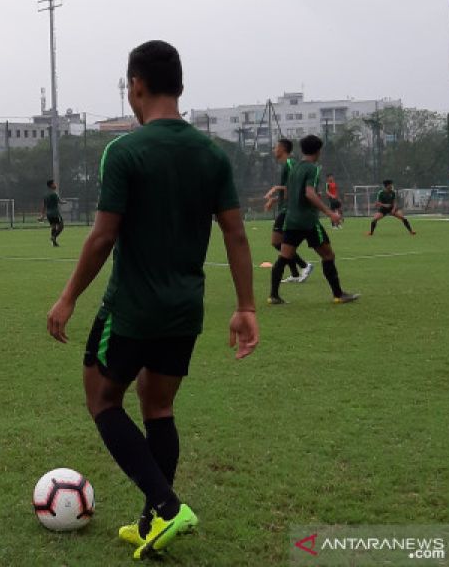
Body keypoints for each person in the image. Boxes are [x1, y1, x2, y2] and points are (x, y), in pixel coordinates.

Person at [46, 40, 259, 560]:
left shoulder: (125, 151)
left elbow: (102, 237)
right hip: (185, 309)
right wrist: (246, 306)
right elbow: (235, 235)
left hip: (133, 308)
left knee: (102, 399)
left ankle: (165, 505)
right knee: (158, 406)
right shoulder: (212, 155)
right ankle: (151, 524)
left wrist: (68, 296)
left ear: (135, 85)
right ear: (180, 86)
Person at [269, 135, 360, 306]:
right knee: (328, 255)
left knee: (284, 256)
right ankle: (339, 294)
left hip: (291, 220)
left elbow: (291, 192)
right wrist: (330, 213)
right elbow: (309, 193)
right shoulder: (313, 169)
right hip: (308, 221)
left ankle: (273, 296)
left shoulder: (295, 168)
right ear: (318, 151)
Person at [262, 139, 311, 284]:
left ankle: (304, 265)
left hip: (289, 210)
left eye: (275, 147)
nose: (273, 150)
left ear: (283, 148)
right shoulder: (286, 165)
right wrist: (275, 199)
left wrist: (276, 188)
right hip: (286, 207)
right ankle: (295, 274)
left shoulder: (290, 163)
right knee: (283, 243)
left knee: (277, 242)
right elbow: (289, 191)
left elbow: (296, 186)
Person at [40, 180, 65, 247]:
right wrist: (65, 202)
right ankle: (53, 237)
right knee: (61, 226)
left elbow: (43, 206)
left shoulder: (46, 195)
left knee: (53, 227)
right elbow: (60, 201)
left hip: (49, 214)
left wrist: (42, 215)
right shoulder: (54, 194)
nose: (55, 185)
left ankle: (54, 243)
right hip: (55, 213)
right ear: (51, 185)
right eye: (54, 184)